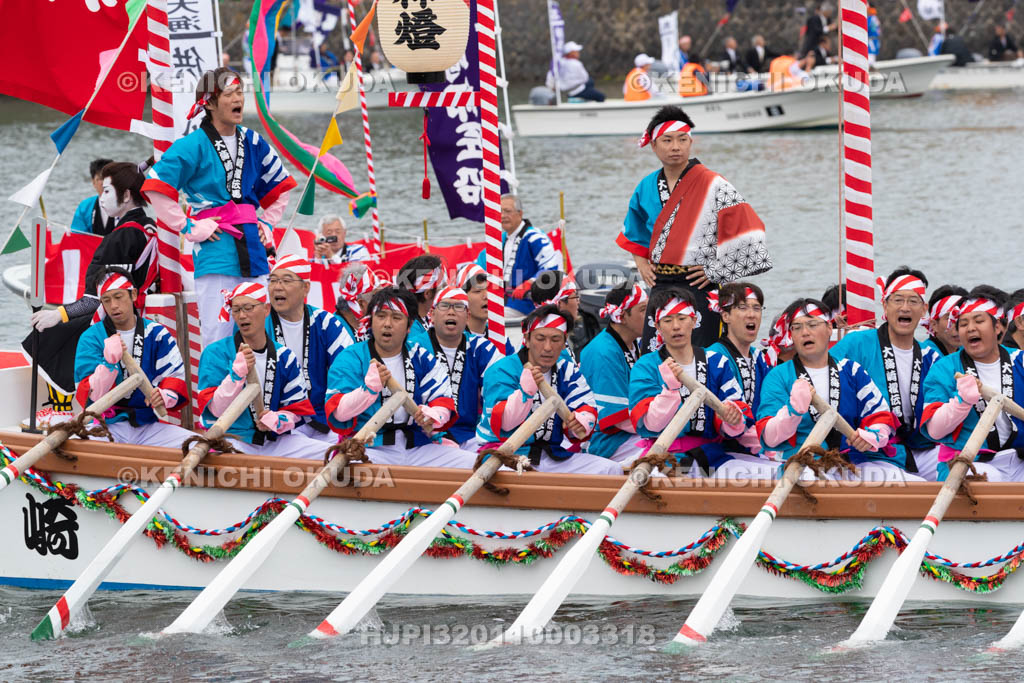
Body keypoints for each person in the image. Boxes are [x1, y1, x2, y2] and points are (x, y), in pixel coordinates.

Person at [143, 67, 297, 348]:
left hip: (253, 248)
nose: (238, 98)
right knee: (219, 333)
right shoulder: (192, 145)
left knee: (262, 334)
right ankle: (216, 379)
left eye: (240, 92)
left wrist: (267, 223)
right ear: (210, 103)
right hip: (215, 249)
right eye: (229, 94)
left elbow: (280, 186)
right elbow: (155, 187)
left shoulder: (253, 141)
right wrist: (188, 226)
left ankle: (260, 378)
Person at [618, 106, 771, 352]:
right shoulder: (646, 186)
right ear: (654, 146)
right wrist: (641, 263)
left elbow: (752, 234)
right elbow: (635, 233)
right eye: (667, 140)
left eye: (682, 139)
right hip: (661, 283)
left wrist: (717, 270)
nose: (675, 147)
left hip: (700, 283)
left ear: (691, 142)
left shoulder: (714, 184)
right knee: (655, 354)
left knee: (703, 355)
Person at [25, 160, 161, 416]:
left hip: (117, 316)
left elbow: (98, 298)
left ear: (127, 195)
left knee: (48, 335)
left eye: (107, 191)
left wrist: (58, 314)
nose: (102, 198)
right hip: (137, 310)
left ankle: (61, 410)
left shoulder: (121, 236)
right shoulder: (149, 226)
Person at [756, 299, 917, 482]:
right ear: (791, 335)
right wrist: (792, 411)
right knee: (810, 480)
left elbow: (880, 415)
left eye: (812, 325)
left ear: (828, 329)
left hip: (852, 463)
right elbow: (769, 438)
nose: (805, 332)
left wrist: (871, 436)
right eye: (797, 327)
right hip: (802, 466)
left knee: (912, 484)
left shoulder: (851, 370)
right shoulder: (778, 376)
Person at [326, 287, 478, 468]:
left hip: (418, 446)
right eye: (381, 316)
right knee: (342, 471)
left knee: (476, 465)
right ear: (371, 321)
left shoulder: (421, 356)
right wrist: (368, 391)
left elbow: (442, 400)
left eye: (396, 318)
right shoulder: (351, 357)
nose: (387, 324)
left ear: (409, 326)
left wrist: (433, 415)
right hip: (369, 447)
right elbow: (339, 412)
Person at [477, 305, 621, 475]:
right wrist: (525, 392)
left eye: (555, 339)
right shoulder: (502, 370)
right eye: (540, 338)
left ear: (564, 343)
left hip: (551, 454)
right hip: (504, 454)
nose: (547, 347)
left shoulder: (566, 369)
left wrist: (580, 421)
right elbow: (506, 423)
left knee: (611, 469)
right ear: (527, 340)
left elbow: (585, 406)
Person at [829, 268, 943, 480]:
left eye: (913, 301)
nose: (905, 307)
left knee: (964, 468)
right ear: (885, 305)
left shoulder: (931, 356)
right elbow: (822, 377)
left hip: (916, 448)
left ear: (924, 309)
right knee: (915, 486)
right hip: (866, 451)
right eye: (898, 300)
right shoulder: (857, 343)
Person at [628, 288, 751, 477]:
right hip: (662, 457)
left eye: (682, 318)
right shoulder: (646, 366)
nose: (676, 326)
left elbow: (737, 419)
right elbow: (651, 425)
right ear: (657, 326)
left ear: (694, 321)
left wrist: (732, 420)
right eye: (668, 320)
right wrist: (670, 391)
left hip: (711, 456)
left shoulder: (716, 362)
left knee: (766, 474)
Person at [198, 282, 323, 458]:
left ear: (266, 309)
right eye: (236, 310)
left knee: (329, 453)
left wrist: (278, 420)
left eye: (248, 308)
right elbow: (215, 410)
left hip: (275, 441)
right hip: (231, 439)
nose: (242, 315)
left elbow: (297, 410)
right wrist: (236, 376)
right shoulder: (215, 353)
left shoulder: (284, 356)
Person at [74, 268, 193, 447]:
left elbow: (175, 379)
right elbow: (91, 396)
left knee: (200, 445)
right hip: (105, 425)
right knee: (72, 448)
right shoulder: (91, 337)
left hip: (147, 425)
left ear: (134, 294)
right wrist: (108, 364)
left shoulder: (157, 333)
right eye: (106, 300)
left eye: (119, 297)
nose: (113, 305)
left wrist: (164, 395)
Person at [922, 286, 1024, 482]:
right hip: (969, 462)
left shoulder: (1020, 361)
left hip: (1019, 460)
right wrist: (962, 401)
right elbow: (935, 430)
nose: (970, 328)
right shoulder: (944, 369)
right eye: (963, 324)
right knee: (985, 481)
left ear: (997, 327)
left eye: (979, 321)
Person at [265, 254, 351, 443]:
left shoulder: (326, 323)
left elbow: (348, 371)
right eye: (273, 280)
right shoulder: (259, 324)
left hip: (322, 418)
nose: (277, 287)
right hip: (275, 423)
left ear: (306, 288)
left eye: (286, 281)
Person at [580, 282, 648, 463]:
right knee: (669, 450)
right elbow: (617, 418)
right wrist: (660, 424)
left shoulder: (633, 344)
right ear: (622, 316)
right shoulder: (603, 352)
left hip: (632, 431)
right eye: (643, 310)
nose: (650, 316)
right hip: (605, 441)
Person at [426, 285, 499, 448]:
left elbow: (496, 393)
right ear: (432, 315)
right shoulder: (415, 347)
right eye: (444, 306)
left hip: (470, 435)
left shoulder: (482, 349)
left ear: (467, 316)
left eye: (459, 307)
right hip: (425, 435)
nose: (451, 312)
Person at [707, 283, 771, 436]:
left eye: (756, 308)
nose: (751, 314)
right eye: (743, 308)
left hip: (756, 440)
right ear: (725, 316)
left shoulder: (759, 358)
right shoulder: (712, 356)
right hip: (722, 442)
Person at [490, 193, 560, 315]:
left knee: (492, 319)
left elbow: (551, 268)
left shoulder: (535, 237)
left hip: (528, 305)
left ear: (520, 213)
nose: (503, 216)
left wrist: (530, 283)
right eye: (500, 212)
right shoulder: (501, 239)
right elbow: (482, 264)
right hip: (504, 300)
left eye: (507, 211)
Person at [529, 271, 597, 360]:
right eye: (575, 296)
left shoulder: (537, 337)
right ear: (559, 304)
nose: (578, 301)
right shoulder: (551, 350)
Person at [396, 254, 445, 348]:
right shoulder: (411, 330)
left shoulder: (425, 316)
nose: (447, 292)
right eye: (443, 288)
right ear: (428, 294)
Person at [70, 158, 116, 235]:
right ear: (93, 182)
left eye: (108, 178)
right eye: (101, 178)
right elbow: (77, 236)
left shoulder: (127, 206)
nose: (105, 183)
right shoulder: (84, 207)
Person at [335, 266, 379, 341]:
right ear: (361, 304)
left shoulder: (373, 327)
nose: (382, 301)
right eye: (377, 297)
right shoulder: (333, 330)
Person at [922, 284, 967, 356]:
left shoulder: (969, 351)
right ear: (934, 325)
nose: (958, 325)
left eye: (962, 317)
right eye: (949, 318)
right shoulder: (925, 356)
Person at [456, 263, 489, 337]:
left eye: (489, 290)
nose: (486, 296)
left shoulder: (500, 338)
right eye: (478, 291)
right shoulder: (451, 339)